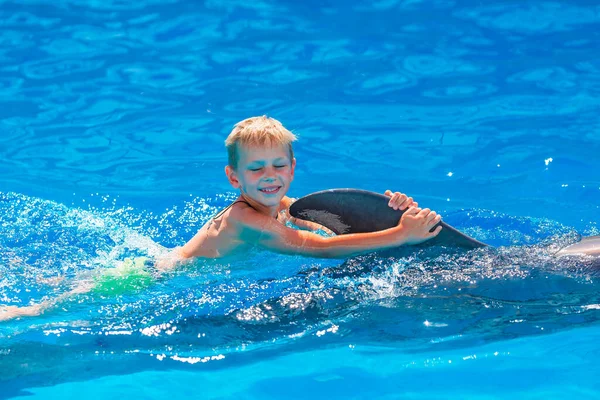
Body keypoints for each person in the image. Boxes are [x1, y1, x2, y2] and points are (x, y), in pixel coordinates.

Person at [0, 116, 441, 321]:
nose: (269, 177)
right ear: (234, 178)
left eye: (277, 166)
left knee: (76, 282)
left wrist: (392, 211)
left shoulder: (277, 204)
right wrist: (399, 236)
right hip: (155, 279)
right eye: (255, 169)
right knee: (42, 309)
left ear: (292, 166)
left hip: (153, 264)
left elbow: (324, 220)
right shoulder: (248, 220)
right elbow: (319, 247)